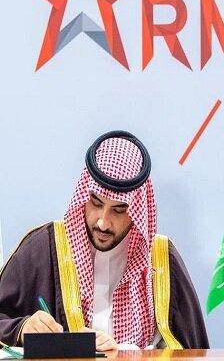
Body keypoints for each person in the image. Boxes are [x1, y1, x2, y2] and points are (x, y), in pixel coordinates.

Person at [0, 131, 209, 350]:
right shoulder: (43, 248)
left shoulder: (161, 260)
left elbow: (193, 350)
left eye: (118, 210)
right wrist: (21, 329)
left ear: (137, 211)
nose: (103, 222)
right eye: (96, 203)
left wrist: (125, 352)